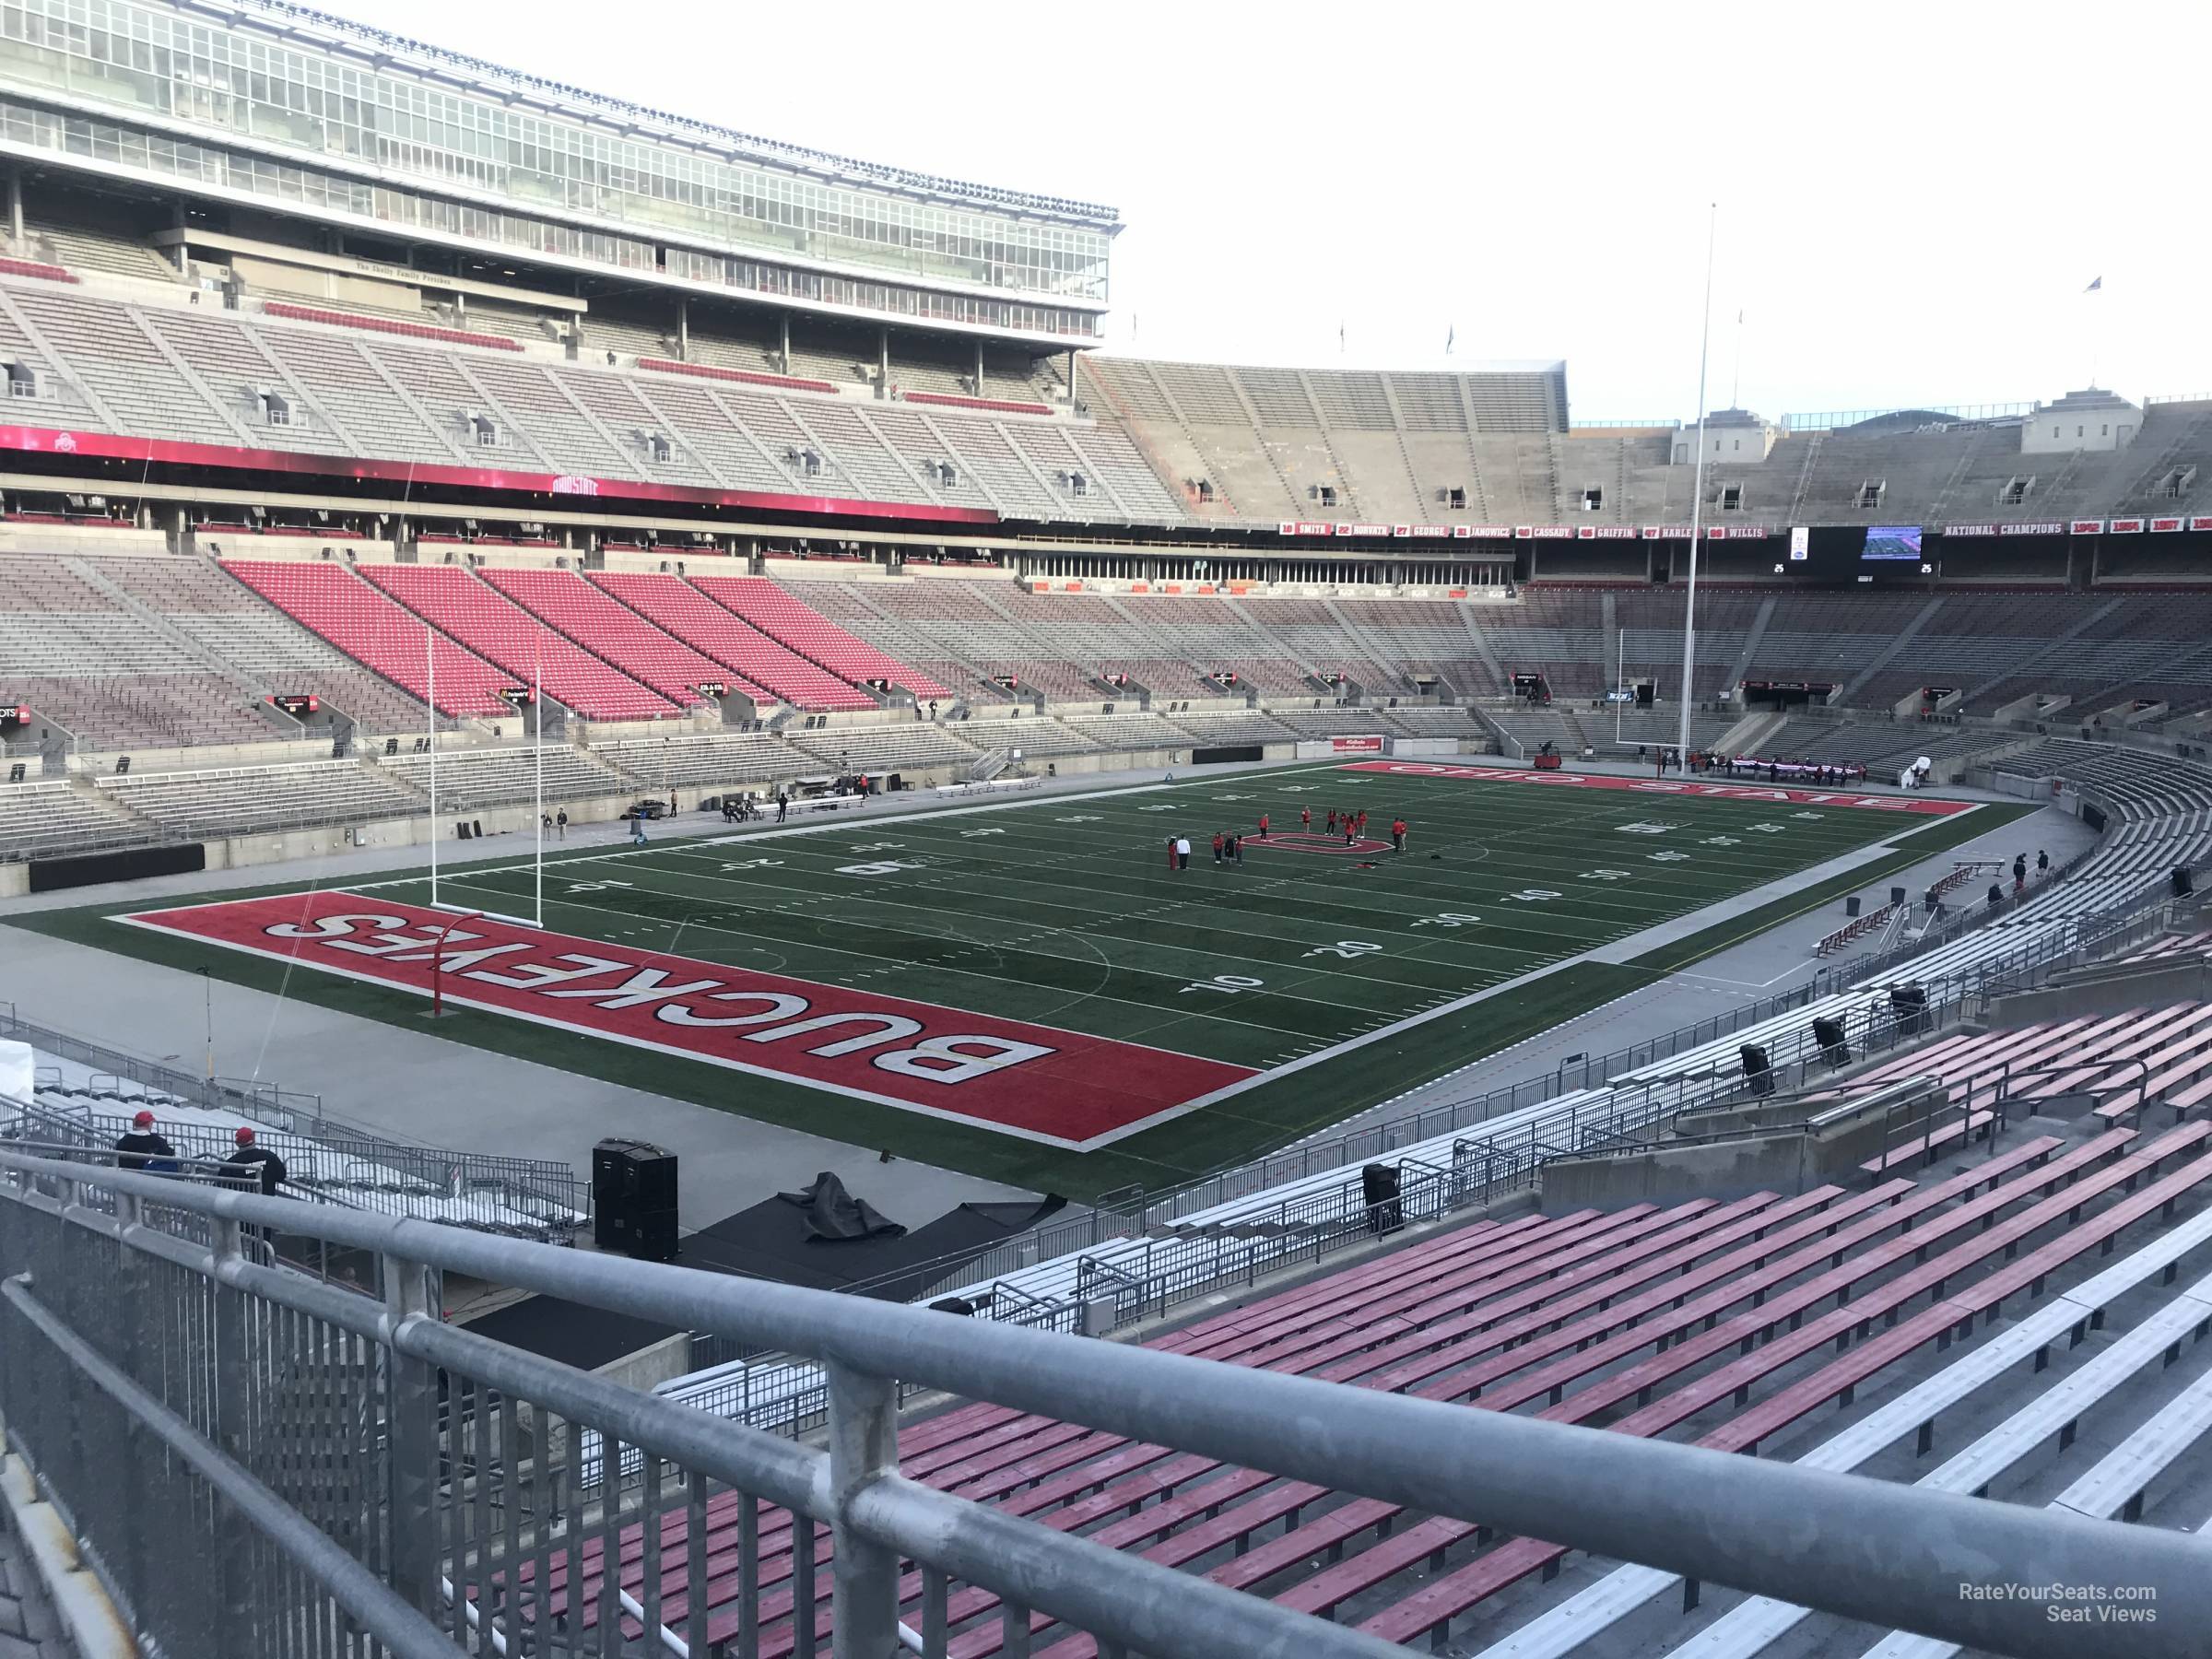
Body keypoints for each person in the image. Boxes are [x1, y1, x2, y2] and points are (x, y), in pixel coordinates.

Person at [113, 1109, 175, 1173]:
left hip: (126, 1175)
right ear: (149, 1124)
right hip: (147, 1176)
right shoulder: (155, 1140)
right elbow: (168, 1153)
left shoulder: (123, 1141)